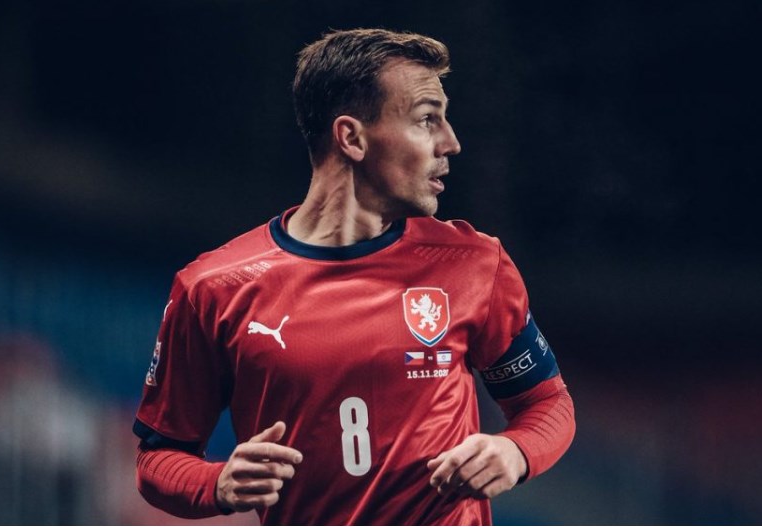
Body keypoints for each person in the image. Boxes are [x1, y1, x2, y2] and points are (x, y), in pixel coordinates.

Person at [133, 28, 575, 525]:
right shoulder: (213, 289)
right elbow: (158, 459)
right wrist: (218, 483)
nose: (450, 143)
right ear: (352, 138)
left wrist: (515, 451)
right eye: (427, 119)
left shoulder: (473, 264)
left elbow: (547, 403)